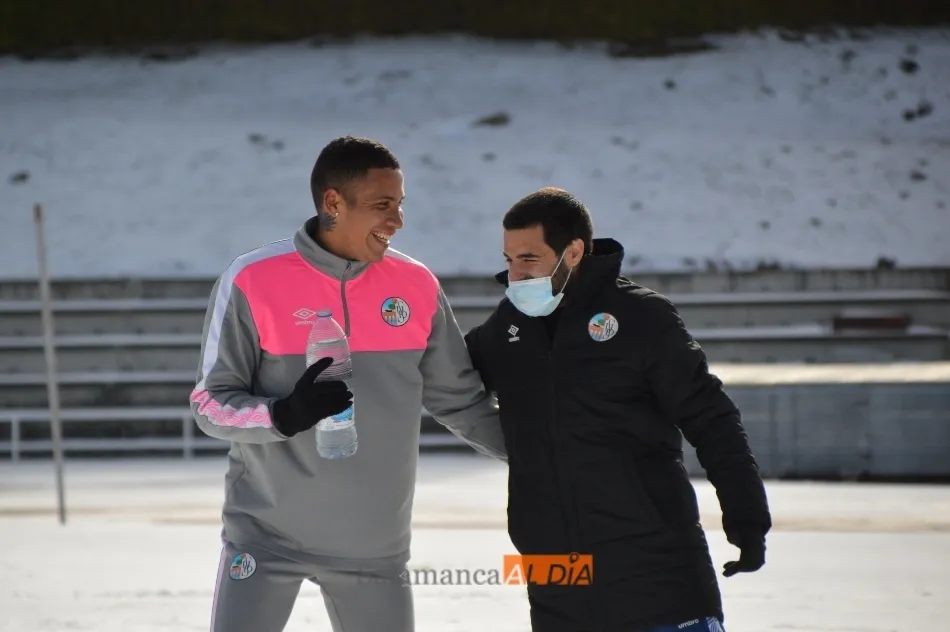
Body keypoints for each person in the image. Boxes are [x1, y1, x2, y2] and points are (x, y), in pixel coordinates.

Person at [189, 135, 507, 632]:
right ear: (333, 203)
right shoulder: (253, 279)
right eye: (382, 205)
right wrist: (281, 414)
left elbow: (462, 400)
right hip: (265, 536)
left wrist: (540, 454)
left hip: (374, 548)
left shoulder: (416, 284)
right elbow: (210, 403)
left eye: (400, 204)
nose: (397, 220)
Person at [464, 187, 772, 632]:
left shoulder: (641, 316)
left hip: (656, 572)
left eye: (529, 258)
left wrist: (746, 517)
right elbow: (443, 373)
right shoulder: (509, 326)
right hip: (556, 583)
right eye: (509, 259)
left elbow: (712, 419)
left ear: (573, 252)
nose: (515, 274)